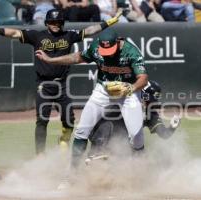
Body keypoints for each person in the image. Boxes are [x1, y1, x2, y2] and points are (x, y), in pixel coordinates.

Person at [0, 9, 122, 155]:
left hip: (62, 85)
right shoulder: (37, 36)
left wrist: (108, 22)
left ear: (62, 23)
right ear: (46, 23)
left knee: (69, 120)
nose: (55, 24)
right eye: (52, 22)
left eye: (58, 22)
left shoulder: (68, 35)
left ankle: (64, 139)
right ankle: (40, 155)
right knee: (42, 120)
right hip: (43, 85)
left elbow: (89, 31)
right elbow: (15, 33)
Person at [35, 29, 148, 169]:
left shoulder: (131, 52)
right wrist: (51, 60)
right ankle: (73, 174)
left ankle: (141, 169)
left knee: (136, 136)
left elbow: (143, 78)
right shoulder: (96, 47)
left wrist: (131, 88)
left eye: (111, 49)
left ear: (118, 42)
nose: (108, 53)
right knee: (82, 131)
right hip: (103, 89)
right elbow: (77, 57)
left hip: (128, 91)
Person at [86, 80, 181, 161]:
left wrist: (172, 127)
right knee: (107, 123)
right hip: (102, 138)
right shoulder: (121, 102)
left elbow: (164, 134)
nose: (148, 104)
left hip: (125, 147)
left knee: (142, 157)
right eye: (148, 101)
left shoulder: (150, 113)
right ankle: (97, 153)